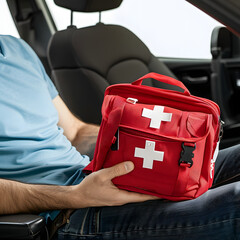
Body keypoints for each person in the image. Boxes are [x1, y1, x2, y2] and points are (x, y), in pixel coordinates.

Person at [0, 35, 240, 240]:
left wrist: (160, 139)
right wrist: (77, 196)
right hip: (65, 212)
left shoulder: (17, 49)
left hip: (98, 177)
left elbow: (75, 132)